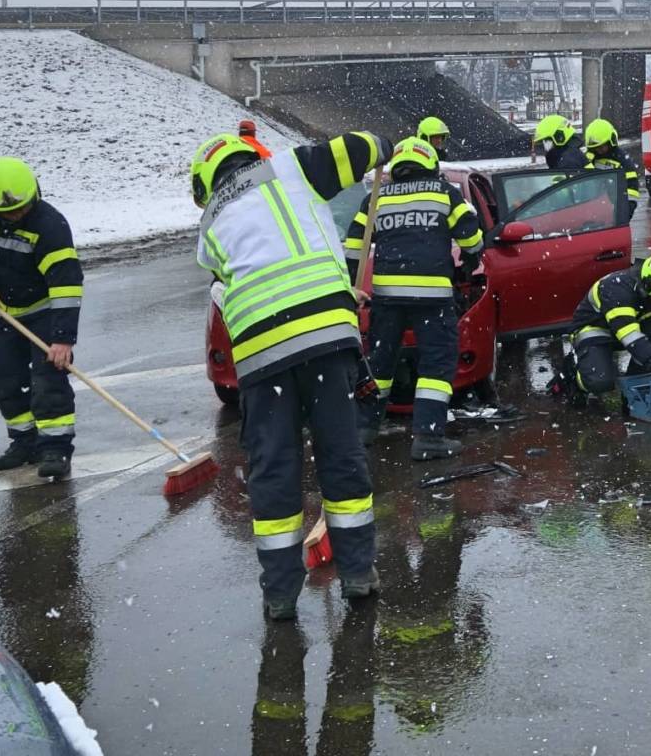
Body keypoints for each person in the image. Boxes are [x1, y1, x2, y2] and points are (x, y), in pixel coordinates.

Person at [193, 128, 391, 618]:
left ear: (207, 183)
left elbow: (242, 274)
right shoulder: (292, 167)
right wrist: (381, 144)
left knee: (274, 469)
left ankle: (280, 593)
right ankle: (358, 575)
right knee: (340, 456)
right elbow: (363, 146)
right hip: (325, 340)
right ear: (253, 155)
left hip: (262, 357)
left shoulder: (209, 225)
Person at [343, 137, 484, 460]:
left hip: (388, 298)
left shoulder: (376, 198)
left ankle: (363, 431)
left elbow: (355, 247)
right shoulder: (445, 193)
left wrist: (351, 284)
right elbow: (470, 235)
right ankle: (427, 438)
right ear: (430, 165)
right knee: (435, 365)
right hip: (432, 298)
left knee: (379, 365)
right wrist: (472, 260)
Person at [0, 157, 84, 480]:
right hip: (6, 315)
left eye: (21, 208)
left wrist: (62, 339)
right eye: (7, 211)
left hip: (44, 312)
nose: (15, 215)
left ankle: (54, 448)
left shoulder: (49, 225)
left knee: (48, 382)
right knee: (5, 381)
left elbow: (66, 284)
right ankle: (24, 443)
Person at [564, 252, 651, 398]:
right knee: (600, 382)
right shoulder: (616, 289)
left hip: (624, 331)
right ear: (648, 283)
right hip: (593, 329)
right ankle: (574, 379)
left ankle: (633, 388)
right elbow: (630, 337)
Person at [583, 117, 642, 217]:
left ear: (611, 142)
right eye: (595, 148)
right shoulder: (588, 158)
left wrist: (626, 210)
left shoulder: (622, 161)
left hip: (613, 209)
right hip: (592, 207)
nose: (599, 150)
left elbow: (632, 187)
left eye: (602, 147)